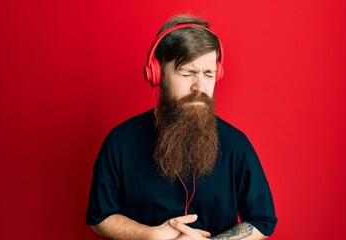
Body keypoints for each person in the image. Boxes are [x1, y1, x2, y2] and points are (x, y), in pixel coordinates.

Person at [86, 14, 277, 240]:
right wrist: (150, 235)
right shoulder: (120, 141)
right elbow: (100, 217)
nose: (199, 86)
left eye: (209, 74)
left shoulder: (237, 144)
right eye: (187, 73)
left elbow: (262, 220)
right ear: (157, 73)